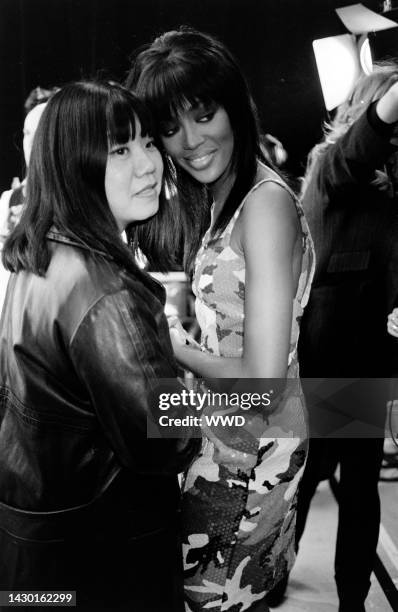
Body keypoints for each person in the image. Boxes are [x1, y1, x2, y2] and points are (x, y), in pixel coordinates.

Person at [127, 27, 315, 612]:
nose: (188, 142)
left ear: (234, 104)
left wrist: (174, 345)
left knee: (217, 601)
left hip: (251, 449)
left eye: (203, 115)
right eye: (169, 127)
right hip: (227, 436)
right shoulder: (224, 194)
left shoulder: (264, 205)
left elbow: (260, 382)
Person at [0, 80, 200, 611]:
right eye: (119, 149)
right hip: (103, 561)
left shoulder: (40, 252)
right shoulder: (107, 290)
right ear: (74, 162)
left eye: (149, 143)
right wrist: (235, 399)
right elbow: (165, 441)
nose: (149, 164)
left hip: (39, 555)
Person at [295, 63, 398, 612]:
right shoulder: (333, 169)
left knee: (355, 487)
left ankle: (353, 601)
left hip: (369, 363)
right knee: (308, 476)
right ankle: (269, 574)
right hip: (325, 360)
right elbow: (360, 148)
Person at [0, 86, 58, 239]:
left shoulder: (76, 199)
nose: (31, 144)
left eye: (39, 134)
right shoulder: (9, 199)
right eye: (27, 133)